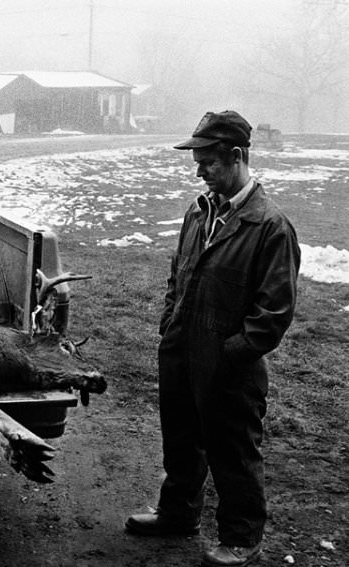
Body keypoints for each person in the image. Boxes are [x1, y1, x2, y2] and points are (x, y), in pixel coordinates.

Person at [125, 110, 300, 567]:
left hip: (228, 365)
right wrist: (170, 324)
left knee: (233, 452)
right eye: (197, 161)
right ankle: (178, 513)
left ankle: (242, 539)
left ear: (237, 156)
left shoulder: (270, 227)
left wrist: (232, 353)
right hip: (181, 348)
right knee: (180, 437)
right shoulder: (199, 211)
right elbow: (177, 274)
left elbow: (275, 312)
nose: (198, 171)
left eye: (208, 162)